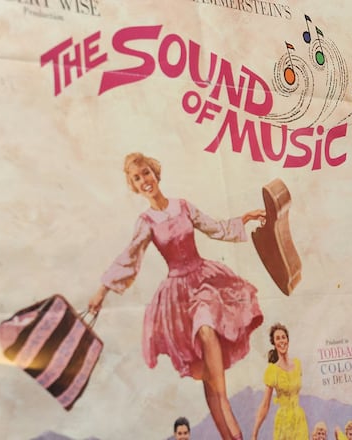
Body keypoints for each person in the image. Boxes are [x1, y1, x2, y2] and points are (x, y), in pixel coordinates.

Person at [88, 153, 266, 440]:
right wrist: (101, 290)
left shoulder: (182, 206)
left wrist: (244, 218)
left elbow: (215, 228)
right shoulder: (146, 221)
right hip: (178, 298)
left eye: (146, 173)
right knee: (207, 375)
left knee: (207, 330)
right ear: (133, 186)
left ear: (155, 172)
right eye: (137, 178)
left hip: (204, 281)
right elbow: (130, 258)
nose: (144, 180)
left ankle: (233, 429)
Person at [252, 323, 309, 440]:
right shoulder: (272, 371)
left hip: (299, 421)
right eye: (277, 338)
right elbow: (265, 405)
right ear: (274, 344)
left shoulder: (297, 364)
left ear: (288, 340)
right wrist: (254, 434)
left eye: (284, 337)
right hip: (283, 423)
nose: (282, 341)